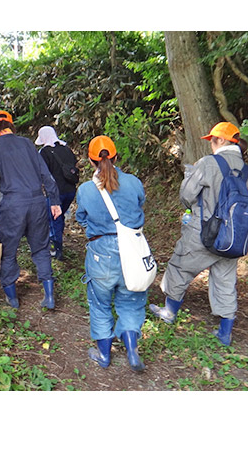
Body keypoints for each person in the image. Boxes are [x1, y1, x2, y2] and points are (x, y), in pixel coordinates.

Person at [149, 122, 248, 347]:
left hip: (203, 231)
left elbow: (186, 195)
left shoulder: (208, 163)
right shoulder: (245, 169)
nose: (211, 145)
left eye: (213, 140)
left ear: (221, 141)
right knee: (225, 280)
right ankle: (225, 333)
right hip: (232, 235)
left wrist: (190, 178)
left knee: (180, 266)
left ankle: (169, 311)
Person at [76, 135, 148, 372]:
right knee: (131, 301)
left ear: (90, 161)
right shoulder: (134, 182)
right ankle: (132, 352)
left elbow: (81, 217)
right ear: (117, 157)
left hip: (100, 252)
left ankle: (103, 355)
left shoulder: (85, 190)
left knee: (100, 304)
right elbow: (139, 204)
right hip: (132, 249)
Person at [0, 110, 61, 310]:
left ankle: (12, 299)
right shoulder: (27, 144)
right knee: (41, 249)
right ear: (11, 126)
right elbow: (46, 175)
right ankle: (49, 296)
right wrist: (54, 201)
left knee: (9, 252)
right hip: (37, 202)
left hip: (13, 205)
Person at [35, 125, 79, 260]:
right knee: (59, 217)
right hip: (70, 190)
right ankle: (58, 244)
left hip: (55, 192)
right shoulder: (66, 149)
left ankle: (57, 249)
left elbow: (41, 173)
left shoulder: (44, 152)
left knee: (53, 218)